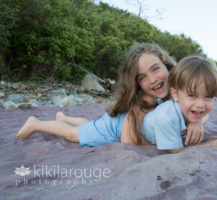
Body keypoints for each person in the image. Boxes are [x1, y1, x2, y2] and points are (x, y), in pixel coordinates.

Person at [16, 43, 205, 147]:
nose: (153, 79)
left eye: (156, 69)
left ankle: (64, 116)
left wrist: (197, 122)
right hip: (112, 130)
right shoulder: (142, 101)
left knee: (92, 125)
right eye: (142, 77)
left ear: (166, 65)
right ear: (136, 83)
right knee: (73, 135)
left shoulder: (178, 91)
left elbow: (196, 109)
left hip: (110, 123)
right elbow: (127, 141)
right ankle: (36, 123)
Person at [141, 56, 217, 153]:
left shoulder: (187, 109)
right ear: (175, 94)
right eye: (192, 95)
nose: (200, 105)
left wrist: (197, 122)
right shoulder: (166, 119)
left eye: (208, 97)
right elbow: (177, 152)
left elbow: (206, 116)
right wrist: (210, 145)